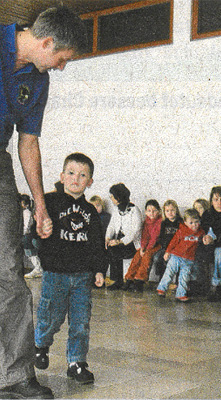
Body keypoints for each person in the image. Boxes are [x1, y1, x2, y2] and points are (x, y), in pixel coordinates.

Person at [0, 6, 86, 399]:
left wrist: (39, 204)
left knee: (8, 271)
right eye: (62, 59)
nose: (61, 67)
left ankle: (16, 375)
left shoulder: (38, 80)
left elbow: (28, 140)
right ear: (47, 42)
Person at [34, 153, 106, 385]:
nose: (76, 179)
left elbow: (97, 243)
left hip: (82, 276)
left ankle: (76, 362)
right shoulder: (49, 202)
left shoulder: (91, 212)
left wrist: (98, 269)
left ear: (90, 182)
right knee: (51, 317)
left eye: (83, 175)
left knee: (80, 321)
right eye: (72, 173)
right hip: (55, 273)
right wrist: (40, 228)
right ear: (62, 176)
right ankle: (40, 344)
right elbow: (37, 233)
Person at [157, 208, 205, 302]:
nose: (194, 225)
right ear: (185, 222)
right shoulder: (181, 231)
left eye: (196, 222)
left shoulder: (201, 233)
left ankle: (181, 294)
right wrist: (167, 252)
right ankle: (161, 289)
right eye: (191, 223)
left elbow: (205, 240)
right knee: (169, 273)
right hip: (176, 256)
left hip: (189, 259)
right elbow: (173, 242)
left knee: (184, 277)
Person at [105, 183, 143, 290]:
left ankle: (121, 280)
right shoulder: (116, 210)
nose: (111, 199)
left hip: (131, 243)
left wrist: (120, 241)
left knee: (114, 249)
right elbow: (111, 226)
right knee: (110, 247)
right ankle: (117, 281)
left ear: (118, 197)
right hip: (119, 241)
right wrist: (107, 238)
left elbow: (136, 230)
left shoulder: (134, 210)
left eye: (112, 196)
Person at [123, 199, 162, 292]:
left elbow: (155, 237)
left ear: (159, 211)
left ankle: (139, 280)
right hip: (147, 246)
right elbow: (144, 236)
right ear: (145, 212)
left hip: (156, 245)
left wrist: (146, 249)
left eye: (154, 210)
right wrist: (142, 248)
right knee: (137, 256)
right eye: (149, 211)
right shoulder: (146, 221)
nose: (151, 213)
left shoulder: (159, 221)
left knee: (146, 257)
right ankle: (129, 278)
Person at [152, 199, 183, 280]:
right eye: (167, 211)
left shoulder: (181, 222)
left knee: (179, 261)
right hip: (165, 249)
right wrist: (166, 249)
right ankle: (161, 279)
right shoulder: (164, 223)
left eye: (172, 210)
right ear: (164, 212)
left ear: (176, 210)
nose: (170, 213)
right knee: (157, 258)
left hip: (178, 250)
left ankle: (177, 283)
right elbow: (161, 238)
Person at [21, 194, 43, 279]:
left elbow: (26, 226)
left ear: (26, 204)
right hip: (28, 235)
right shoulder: (27, 212)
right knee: (30, 253)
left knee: (31, 253)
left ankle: (38, 269)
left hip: (28, 235)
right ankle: (38, 268)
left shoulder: (26, 212)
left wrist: (22, 233)